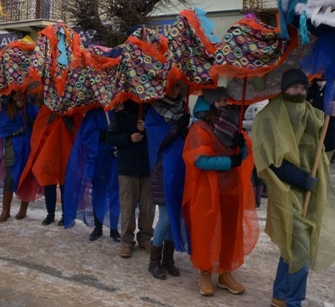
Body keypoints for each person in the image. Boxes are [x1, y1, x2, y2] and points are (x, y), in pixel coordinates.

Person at [253, 69, 335, 306]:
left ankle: (279, 296)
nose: (299, 92)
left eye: (303, 88)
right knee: (300, 249)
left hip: (309, 192)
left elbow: (328, 142)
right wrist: (302, 179)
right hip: (285, 190)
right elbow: (270, 161)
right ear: (284, 88)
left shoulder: (311, 112)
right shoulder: (270, 115)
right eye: (295, 88)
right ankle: (293, 301)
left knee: (293, 247)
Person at [182, 89, 258, 296]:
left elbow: (242, 155)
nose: (224, 103)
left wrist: (241, 147)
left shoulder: (232, 126)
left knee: (229, 230)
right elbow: (198, 159)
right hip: (207, 189)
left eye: (226, 99)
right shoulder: (199, 129)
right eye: (219, 100)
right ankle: (205, 273)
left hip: (230, 188)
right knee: (206, 230)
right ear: (209, 104)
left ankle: (225, 272)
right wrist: (229, 162)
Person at [145, 81, 190, 281]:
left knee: (174, 216)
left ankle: (167, 259)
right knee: (165, 217)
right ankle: (153, 261)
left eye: (178, 87)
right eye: (172, 86)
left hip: (180, 169)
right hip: (162, 169)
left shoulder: (183, 109)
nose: (175, 90)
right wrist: (175, 130)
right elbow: (156, 143)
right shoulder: (154, 111)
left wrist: (187, 130)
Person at [62, 107, 121, 242]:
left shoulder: (120, 111)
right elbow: (86, 136)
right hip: (99, 157)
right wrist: (102, 135)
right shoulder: (94, 113)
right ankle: (98, 226)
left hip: (116, 157)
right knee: (99, 191)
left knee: (115, 192)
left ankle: (114, 228)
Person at [105, 100, 154, 258]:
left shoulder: (152, 114)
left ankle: (145, 238)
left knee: (148, 207)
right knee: (127, 207)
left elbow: (161, 137)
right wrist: (129, 137)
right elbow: (110, 137)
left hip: (148, 168)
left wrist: (147, 130)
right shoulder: (120, 116)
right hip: (127, 169)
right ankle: (127, 241)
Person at [0, 90, 38, 221]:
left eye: (20, 94)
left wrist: (31, 122)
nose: (18, 97)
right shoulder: (7, 110)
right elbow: (0, 128)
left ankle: (23, 209)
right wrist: (16, 132)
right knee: (10, 177)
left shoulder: (32, 109)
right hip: (11, 146)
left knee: (25, 176)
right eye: (16, 95)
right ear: (12, 97)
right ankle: (5, 210)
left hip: (28, 147)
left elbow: (41, 127)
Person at [242, 99, 269, 207]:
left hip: (254, 140)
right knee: (256, 170)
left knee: (254, 170)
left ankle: (254, 199)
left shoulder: (258, 102)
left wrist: (240, 123)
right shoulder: (259, 101)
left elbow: (257, 122)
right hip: (256, 140)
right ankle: (254, 199)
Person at [307, 75, 335, 160]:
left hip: (327, 124)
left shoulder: (330, 90)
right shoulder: (320, 89)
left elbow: (333, 112)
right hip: (320, 122)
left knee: (325, 152)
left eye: (320, 81)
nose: (318, 83)